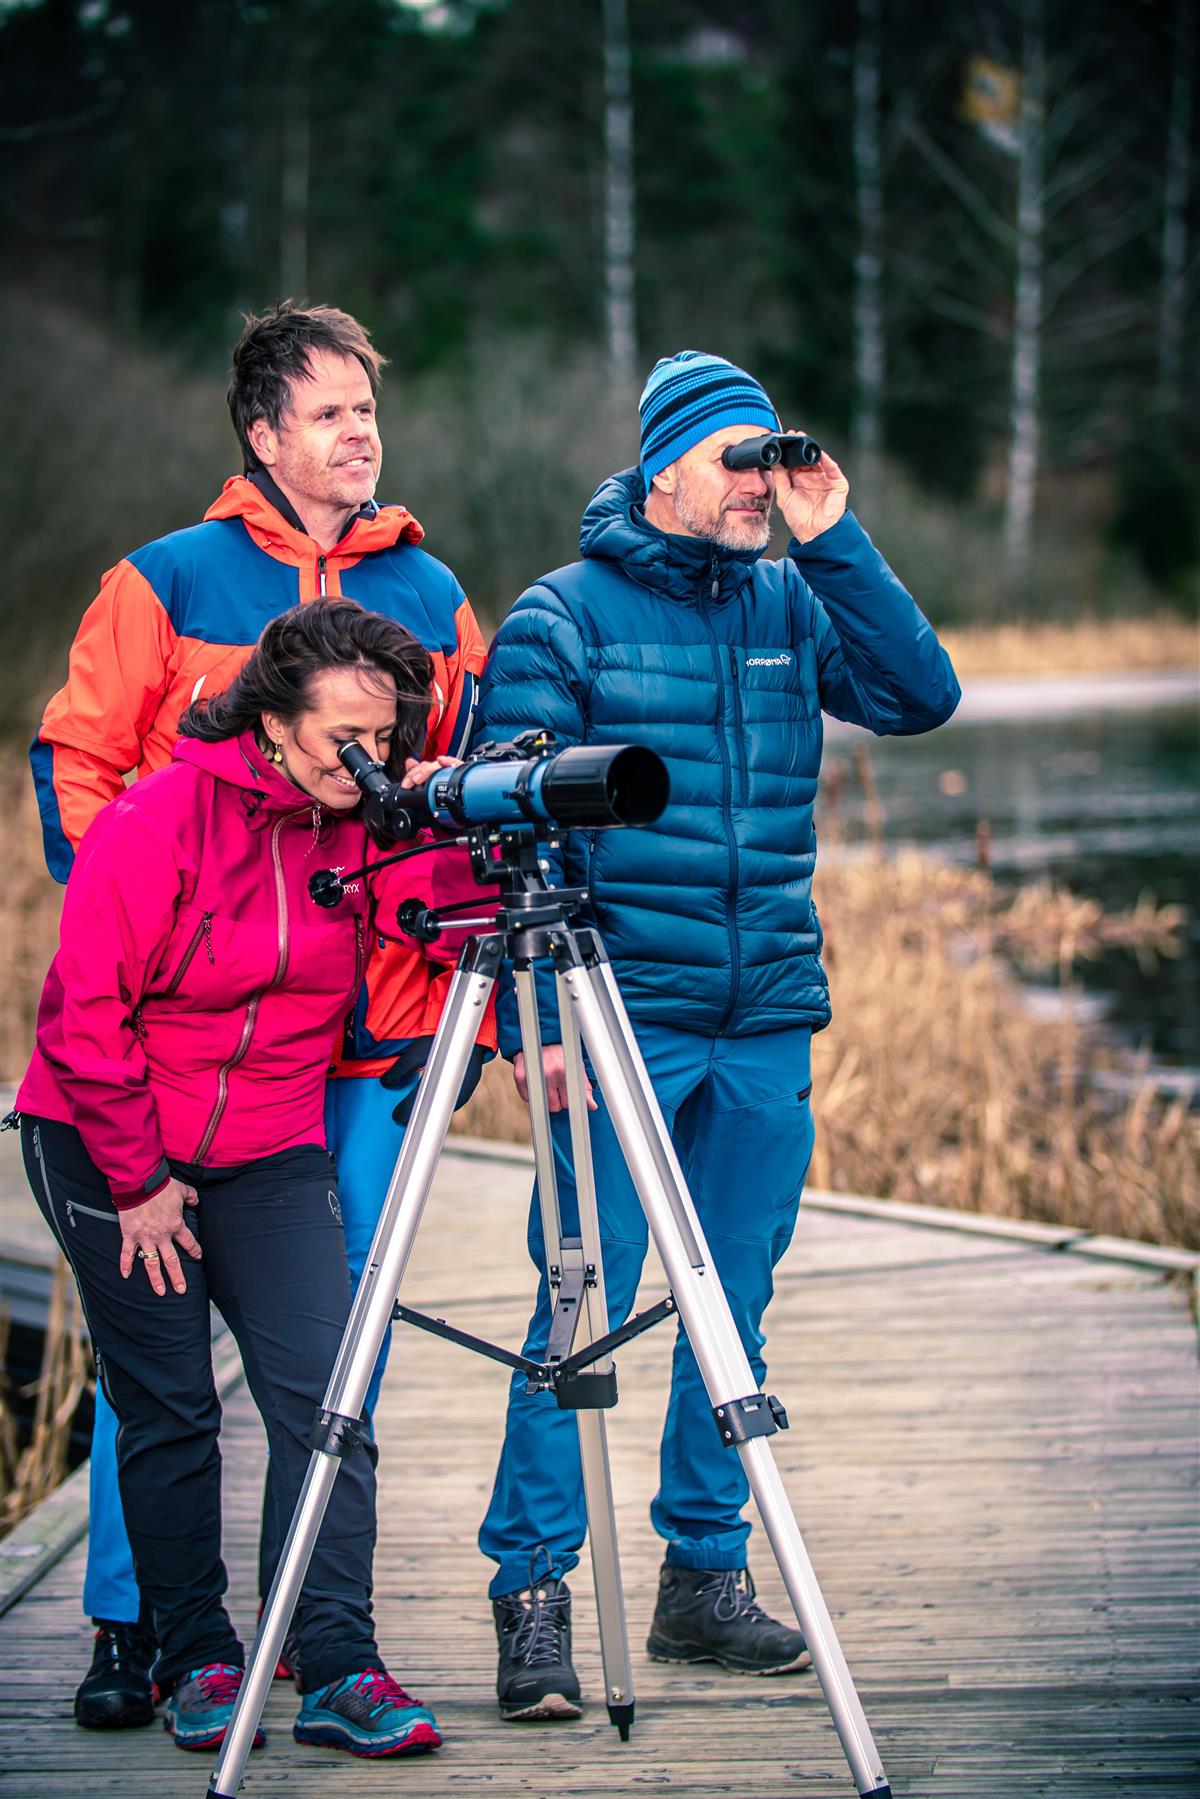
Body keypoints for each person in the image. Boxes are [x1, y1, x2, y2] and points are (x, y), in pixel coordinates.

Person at [472, 350, 961, 1722]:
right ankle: (533, 1595)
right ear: (664, 466)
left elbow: (920, 696)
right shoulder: (559, 618)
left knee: (731, 1309)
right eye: (739, 460)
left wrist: (836, 530)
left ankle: (701, 1578)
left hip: (765, 1019)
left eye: (773, 456)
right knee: (581, 1303)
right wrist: (536, 1026)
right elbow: (506, 832)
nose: (760, 481)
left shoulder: (792, 601)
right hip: (618, 1016)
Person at [28, 301, 489, 1727]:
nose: (362, 432)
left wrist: (455, 998)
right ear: (263, 431)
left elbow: (443, 810)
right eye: (333, 410)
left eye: (370, 408)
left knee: (332, 1362)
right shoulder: (162, 580)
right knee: (154, 1367)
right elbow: (80, 766)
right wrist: (176, 914)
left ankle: (315, 1634)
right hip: (176, 1035)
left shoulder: (433, 595)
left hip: (354, 1052)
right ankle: (141, 1626)